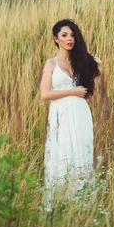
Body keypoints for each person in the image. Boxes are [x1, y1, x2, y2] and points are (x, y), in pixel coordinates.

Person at [39, 19, 102, 211]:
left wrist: (83, 54)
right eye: (64, 35)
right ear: (55, 39)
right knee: (62, 152)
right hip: (61, 113)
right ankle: (59, 201)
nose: (69, 39)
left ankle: (81, 203)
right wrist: (72, 92)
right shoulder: (51, 63)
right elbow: (45, 94)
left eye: (73, 35)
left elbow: (98, 64)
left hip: (80, 113)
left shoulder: (80, 63)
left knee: (81, 151)